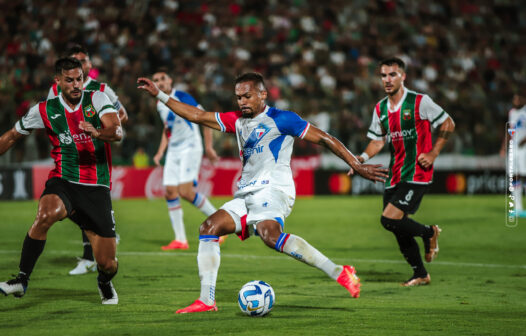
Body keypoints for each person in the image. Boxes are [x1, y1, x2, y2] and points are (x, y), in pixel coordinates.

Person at [137, 72, 388, 313]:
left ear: (263, 95)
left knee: (270, 235)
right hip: (247, 194)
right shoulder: (236, 120)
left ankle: (339, 273)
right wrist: (160, 94)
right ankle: (206, 300)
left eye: (247, 96)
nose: (242, 102)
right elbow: (198, 116)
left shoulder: (282, 118)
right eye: (238, 97)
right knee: (209, 228)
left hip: (275, 189)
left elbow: (324, 138)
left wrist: (356, 164)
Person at [0, 57, 121, 304]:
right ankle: (21, 279)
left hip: (96, 187)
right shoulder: (45, 109)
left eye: (79, 79)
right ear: (58, 81)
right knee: (45, 215)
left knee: (107, 263)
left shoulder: (96, 99)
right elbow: (12, 136)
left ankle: (104, 281)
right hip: (63, 180)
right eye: (70, 80)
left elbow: (116, 131)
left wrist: (96, 132)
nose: (76, 84)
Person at [358, 57, 455, 287]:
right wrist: (359, 159)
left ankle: (429, 233)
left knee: (388, 219)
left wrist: (432, 154)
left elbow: (448, 123)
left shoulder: (420, 101)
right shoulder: (380, 108)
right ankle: (420, 273)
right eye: (383, 75)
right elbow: (377, 142)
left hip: (418, 172)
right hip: (395, 174)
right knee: (397, 226)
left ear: (403, 76)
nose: (387, 80)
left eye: (392, 74)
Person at [48, 44, 128, 275]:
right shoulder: (57, 90)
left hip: (96, 153)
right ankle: (90, 252)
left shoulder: (102, 90)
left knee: (89, 199)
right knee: (69, 200)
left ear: (89, 66)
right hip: (70, 155)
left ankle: (93, 252)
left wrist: (107, 127)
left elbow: (121, 115)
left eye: (82, 61)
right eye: (74, 60)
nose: (79, 65)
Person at [151, 69, 221, 250]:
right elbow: (168, 130)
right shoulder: (160, 104)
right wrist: (160, 152)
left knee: (186, 191)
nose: (159, 82)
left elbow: (205, 119)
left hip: (190, 147)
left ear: (170, 81)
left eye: (162, 78)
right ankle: (181, 240)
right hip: (173, 151)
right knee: (170, 192)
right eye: (156, 80)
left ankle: (220, 223)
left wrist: (209, 147)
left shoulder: (182, 97)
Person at [500, 92, 526, 217]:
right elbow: (510, 130)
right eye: (514, 98)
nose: (516, 100)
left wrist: (525, 139)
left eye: (518, 98)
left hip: (524, 148)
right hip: (514, 148)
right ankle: (518, 208)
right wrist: (504, 146)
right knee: (514, 176)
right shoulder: (512, 113)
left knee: (523, 176)